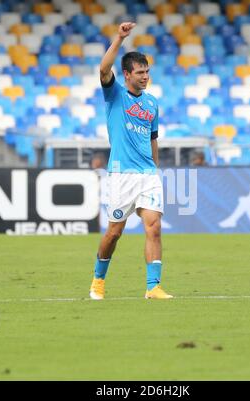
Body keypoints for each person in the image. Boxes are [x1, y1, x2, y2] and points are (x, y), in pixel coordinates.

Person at [89, 22, 173, 300]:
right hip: (121, 175)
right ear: (126, 74)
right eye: (140, 72)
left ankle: (153, 286)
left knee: (154, 226)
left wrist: (155, 167)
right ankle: (98, 281)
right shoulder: (114, 95)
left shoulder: (152, 104)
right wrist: (119, 38)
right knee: (114, 233)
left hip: (147, 174)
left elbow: (153, 139)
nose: (145, 76)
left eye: (147, 71)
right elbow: (103, 69)